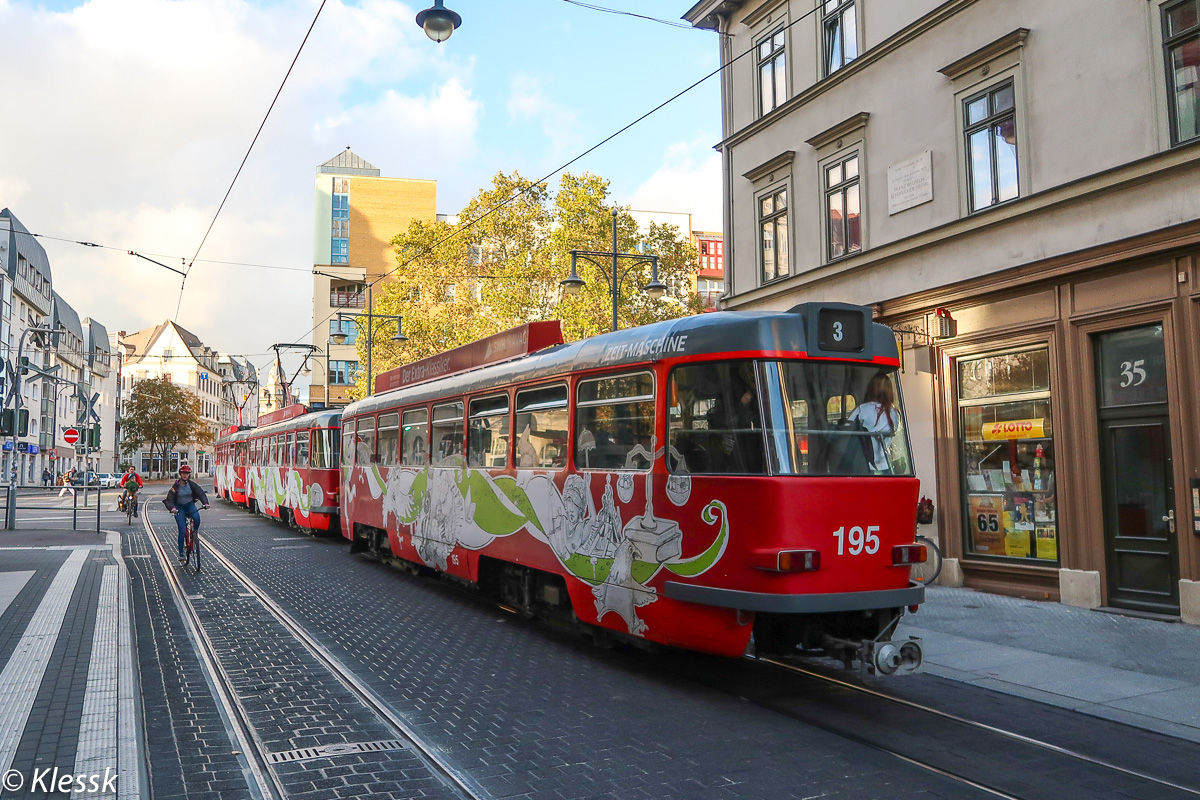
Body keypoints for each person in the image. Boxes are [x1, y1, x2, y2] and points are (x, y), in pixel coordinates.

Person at [848, 373, 901, 472]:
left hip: (865, 465)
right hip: (885, 465)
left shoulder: (862, 409)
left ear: (870, 389)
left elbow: (846, 430)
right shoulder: (895, 413)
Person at [163, 465, 209, 563]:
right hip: (179, 508)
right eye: (183, 473)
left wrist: (205, 503)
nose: (185, 475)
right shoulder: (175, 487)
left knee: (197, 518)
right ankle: (181, 553)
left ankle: (194, 533)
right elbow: (169, 499)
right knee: (182, 530)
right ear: (180, 474)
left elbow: (200, 493)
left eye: (187, 474)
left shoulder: (192, 485)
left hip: (189, 505)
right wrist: (173, 508)